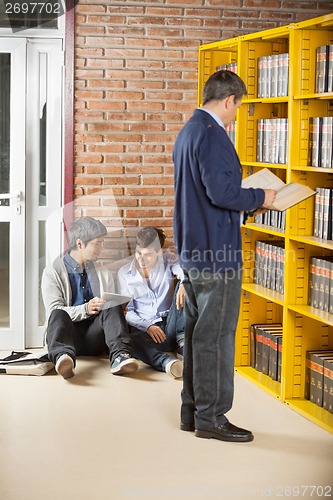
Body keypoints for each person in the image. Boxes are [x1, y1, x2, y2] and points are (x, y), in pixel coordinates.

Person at [173, 69, 277, 442]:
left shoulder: (188, 131)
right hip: (217, 256)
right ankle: (212, 418)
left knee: (197, 333)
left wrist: (245, 208)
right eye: (239, 107)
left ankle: (192, 410)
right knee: (216, 338)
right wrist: (259, 198)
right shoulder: (213, 135)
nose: (237, 115)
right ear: (230, 99)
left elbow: (204, 195)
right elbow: (221, 193)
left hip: (194, 251)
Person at [41, 216, 139, 379]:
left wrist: (118, 311)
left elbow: (108, 314)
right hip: (67, 337)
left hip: (94, 338)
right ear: (80, 244)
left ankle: (120, 356)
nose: (101, 247)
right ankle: (63, 358)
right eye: (97, 243)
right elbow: (53, 312)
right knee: (58, 313)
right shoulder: (52, 273)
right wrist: (85, 309)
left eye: (102, 242)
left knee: (112, 304)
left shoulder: (103, 273)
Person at [117, 226, 185, 379]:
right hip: (147, 330)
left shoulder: (168, 259)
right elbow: (128, 312)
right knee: (130, 341)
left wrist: (184, 284)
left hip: (173, 324)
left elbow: (183, 270)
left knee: (187, 285)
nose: (141, 259)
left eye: (147, 255)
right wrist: (148, 326)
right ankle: (167, 363)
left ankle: (183, 343)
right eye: (138, 253)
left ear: (159, 252)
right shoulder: (124, 273)